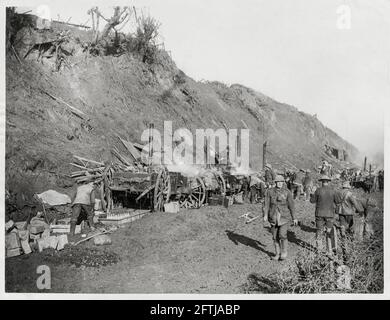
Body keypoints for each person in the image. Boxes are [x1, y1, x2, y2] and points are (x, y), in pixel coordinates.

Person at [263, 175, 298, 261]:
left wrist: (294, 217)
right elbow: (266, 204)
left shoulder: (287, 192)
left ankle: (284, 252)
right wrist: (265, 215)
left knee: (282, 234)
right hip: (273, 216)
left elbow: (291, 206)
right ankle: (277, 254)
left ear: (283, 182)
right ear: (275, 182)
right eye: (278, 182)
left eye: (281, 182)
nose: (279, 183)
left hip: (284, 217)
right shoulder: (269, 192)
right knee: (275, 237)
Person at [310, 175, 340, 254]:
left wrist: (312, 194)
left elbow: (312, 201)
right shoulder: (333, 191)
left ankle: (319, 250)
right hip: (330, 214)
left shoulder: (318, 190)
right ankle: (330, 249)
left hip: (319, 214)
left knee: (319, 231)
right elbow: (337, 202)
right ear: (328, 182)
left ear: (321, 182)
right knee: (329, 231)